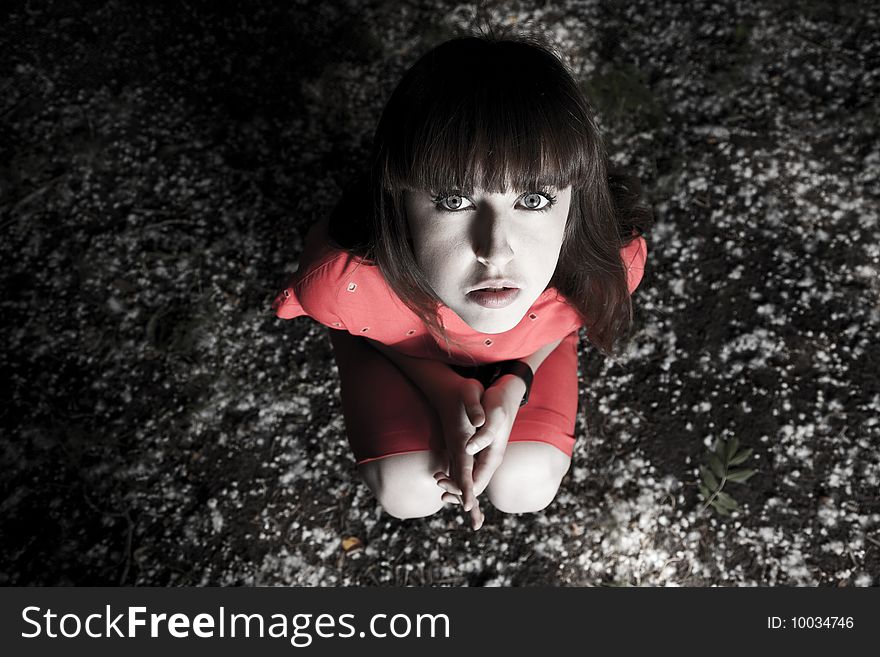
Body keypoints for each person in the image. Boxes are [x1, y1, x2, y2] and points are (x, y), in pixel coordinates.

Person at [272, 29, 652, 531]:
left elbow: (565, 322)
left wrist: (515, 382)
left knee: (526, 485)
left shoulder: (605, 265)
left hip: (526, 351)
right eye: (454, 201)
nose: (496, 251)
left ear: (574, 204)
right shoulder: (344, 284)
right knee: (408, 491)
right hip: (397, 347)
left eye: (533, 200)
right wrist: (441, 387)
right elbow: (350, 324)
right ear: (397, 200)